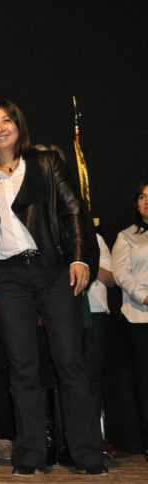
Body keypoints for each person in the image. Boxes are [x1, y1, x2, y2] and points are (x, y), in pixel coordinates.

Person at [0, 100, 105, 476]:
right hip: (8, 278)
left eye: (6, 120)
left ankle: (87, 454)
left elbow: (74, 209)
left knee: (69, 363)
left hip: (52, 271)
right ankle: (29, 454)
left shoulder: (45, 162)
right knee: (22, 367)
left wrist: (80, 258)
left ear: (19, 125)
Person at [112, 179, 148, 462]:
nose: (146, 201)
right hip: (139, 317)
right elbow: (120, 274)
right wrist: (145, 297)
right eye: (142, 197)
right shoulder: (126, 236)